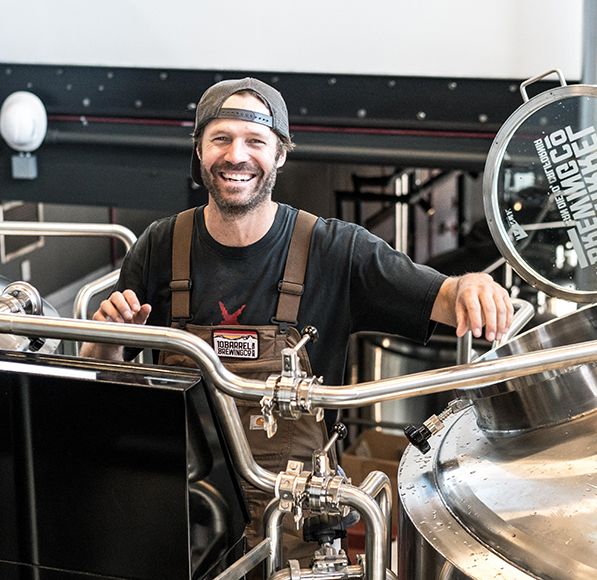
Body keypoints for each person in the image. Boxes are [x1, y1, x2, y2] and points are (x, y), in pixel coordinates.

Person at [80, 77, 513, 565]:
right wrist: (108, 341)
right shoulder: (160, 246)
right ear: (199, 149)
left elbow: (443, 296)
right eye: (220, 138)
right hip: (183, 514)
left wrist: (472, 285)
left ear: (280, 154)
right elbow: (103, 380)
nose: (236, 156)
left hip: (299, 518)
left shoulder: (335, 249)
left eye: (255, 141)